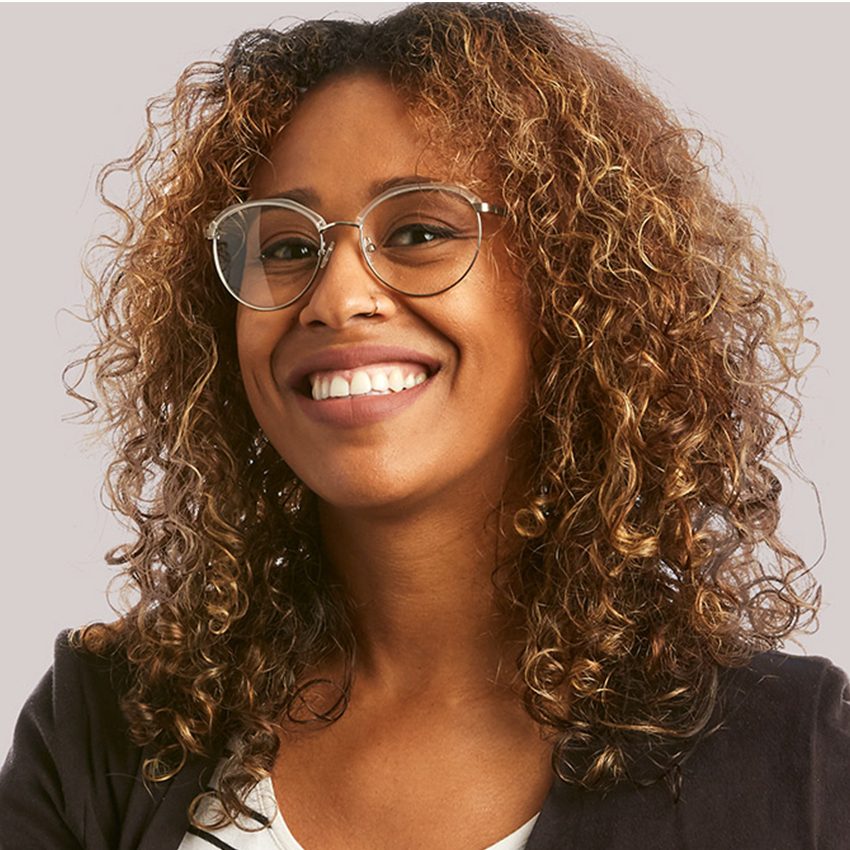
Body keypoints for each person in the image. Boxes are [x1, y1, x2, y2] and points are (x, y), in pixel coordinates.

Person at [1, 3, 848, 848]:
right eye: (287, 247)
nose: (335, 298)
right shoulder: (114, 725)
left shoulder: (795, 762)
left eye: (416, 231)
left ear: (573, 283)